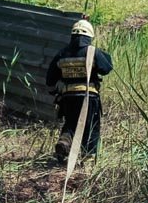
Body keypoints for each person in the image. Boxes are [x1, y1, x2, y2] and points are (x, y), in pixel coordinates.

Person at [46, 19, 113, 162]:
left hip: (68, 97)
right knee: (91, 127)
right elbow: (107, 68)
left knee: (70, 122)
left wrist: (55, 90)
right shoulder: (92, 52)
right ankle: (87, 159)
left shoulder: (62, 53)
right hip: (89, 96)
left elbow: (50, 79)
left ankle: (64, 141)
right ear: (89, 36)